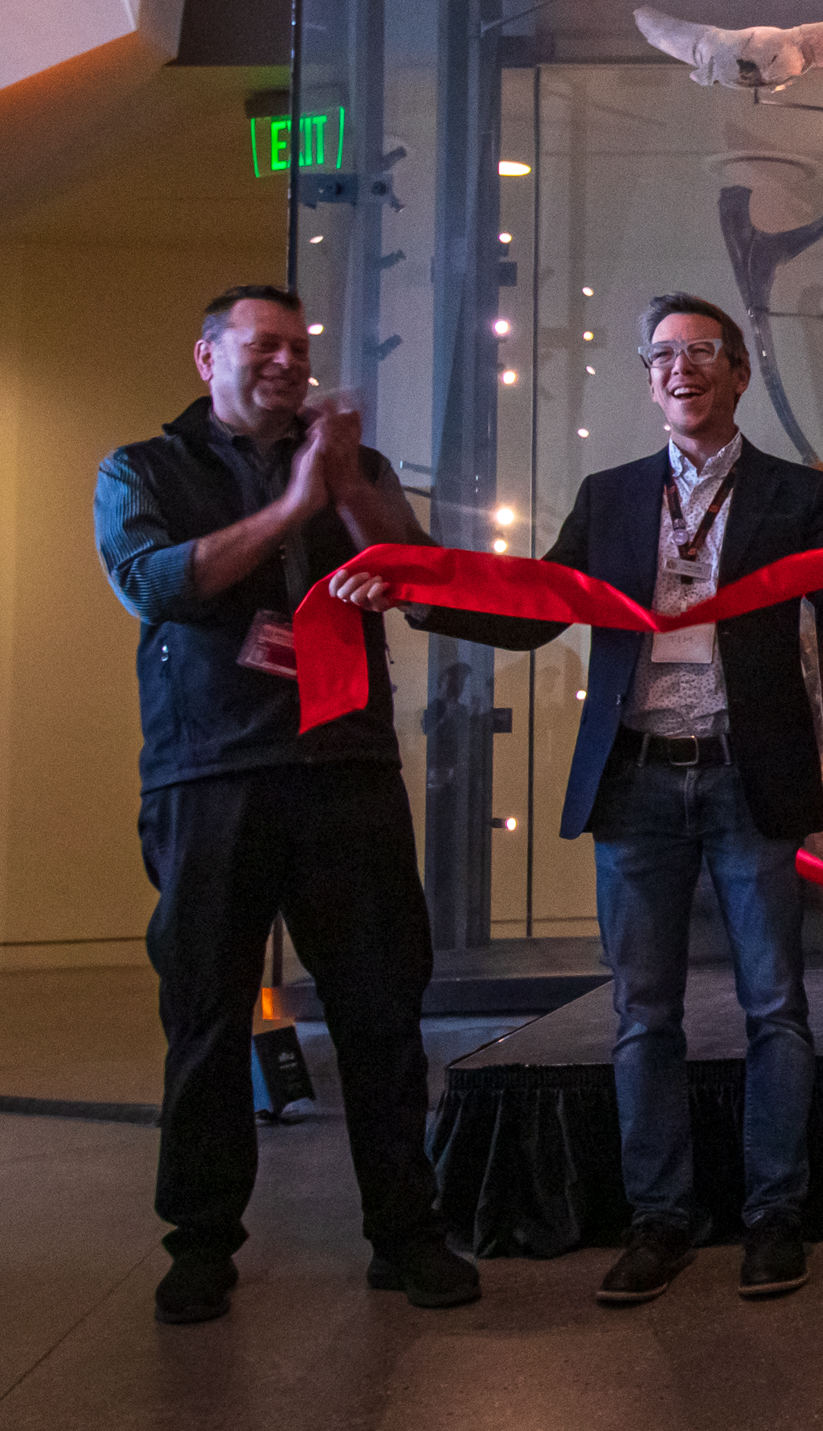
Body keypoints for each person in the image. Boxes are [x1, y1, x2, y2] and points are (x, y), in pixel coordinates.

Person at [338, 292, 823, 1304]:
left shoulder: (791, 494)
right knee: (643, 1014)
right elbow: (533, 614)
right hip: (634, 780)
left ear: (736, 373)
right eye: (661, 357)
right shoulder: (608, 496)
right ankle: (659, 1220)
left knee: (777, 1007)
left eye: (700, 353)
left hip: (747, 774)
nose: (679, 369)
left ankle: (777, 1214)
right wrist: (418, 596)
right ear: (648, 381)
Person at [93, 285, 479, 1324]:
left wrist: (342, 481)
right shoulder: (143, 470)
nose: (286, 362)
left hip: (345, 770)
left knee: (380, 1013)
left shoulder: (348, 463)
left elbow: (424, 579)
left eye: (298, 348)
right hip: (209, 778)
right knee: (208, 1019)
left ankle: (407, 1233)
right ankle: (202, 1244)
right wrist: (293, 506)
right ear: (205, 355)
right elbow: (161, 584)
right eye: (263, 345)